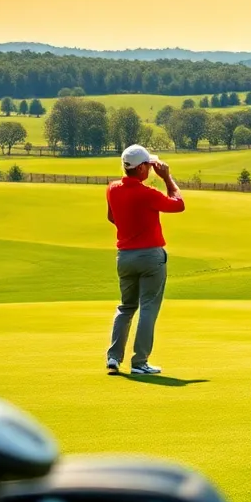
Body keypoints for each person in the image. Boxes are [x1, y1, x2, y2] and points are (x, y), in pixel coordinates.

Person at [106, 144, 184, 375]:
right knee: (148, 307)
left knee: (126, 306)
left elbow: (112, 217)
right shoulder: (147, 193)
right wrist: (168, 178)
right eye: (148, 166)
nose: (151, 170)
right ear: (140, 168)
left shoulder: (112, 189)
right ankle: (140, 362)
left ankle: (113, 358)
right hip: (150, 256)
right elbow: (178, 204)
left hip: (125, 256)